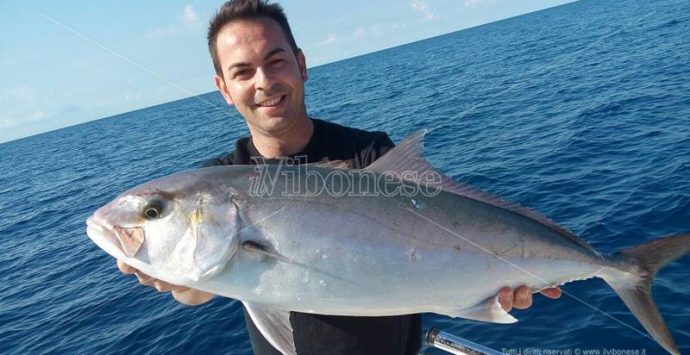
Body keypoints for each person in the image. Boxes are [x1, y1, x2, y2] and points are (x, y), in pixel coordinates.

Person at [117, 0, 562, 353]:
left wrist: (509, 280)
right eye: (243, 72)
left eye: (276, 61)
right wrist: (173, 277)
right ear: (224, 90)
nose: (264, 82)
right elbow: (198, 290)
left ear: (301, 64)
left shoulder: (368, 153)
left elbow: (451, 229)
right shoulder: (216, 179)